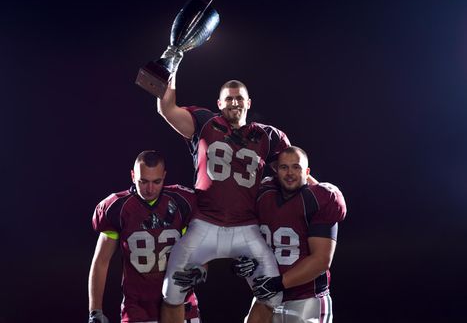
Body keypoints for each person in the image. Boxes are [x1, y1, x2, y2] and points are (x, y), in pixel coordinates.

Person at [157, 74, 291, 323]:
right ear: (219, 103)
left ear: (249, 103)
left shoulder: (268, 136)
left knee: (272, 295)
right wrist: (173, 67)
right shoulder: (204, 123)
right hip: (204, 223)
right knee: (172, 292)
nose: (234, 103)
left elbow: (292, 170)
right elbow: (166, 108)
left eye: (239, 98)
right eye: (228, 98)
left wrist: (319, 186)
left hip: (246, 227)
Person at [88, 150, 200, 323]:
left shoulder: (182, 202)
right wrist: (95, 311)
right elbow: (101, 261)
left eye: (156, 182)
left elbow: (200, 246)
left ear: (164, 176)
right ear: (133, 176)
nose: (150, 189)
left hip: (181, 303)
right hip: (138, 308)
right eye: (143, 181)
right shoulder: (117, 208)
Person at [238, 146, 347, 323]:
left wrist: (277, 283)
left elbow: (321, 261)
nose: (290, 173)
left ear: (307, 171)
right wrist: (244, 259)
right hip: (267, 297)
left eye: (296, 167)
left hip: (306, 299)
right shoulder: (263, 193)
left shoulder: (319, 199)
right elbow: (248, 237)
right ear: (276, 170)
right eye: (284, 167)